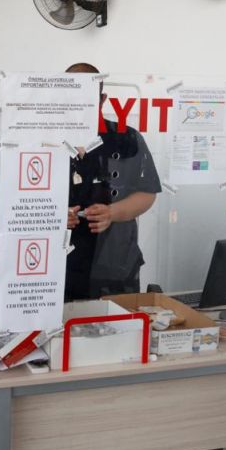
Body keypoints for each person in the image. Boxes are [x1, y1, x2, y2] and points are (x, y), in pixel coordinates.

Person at [64, 63, 161, 300]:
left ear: (102, 99)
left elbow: (147, 193)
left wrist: (111, 212)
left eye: (87, 99)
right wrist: (52, 217)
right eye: (72, 98)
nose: (79, 106)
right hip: (60, 266)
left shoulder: (126, 139)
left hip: (115, 263)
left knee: (116, 320)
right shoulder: (43, 141)